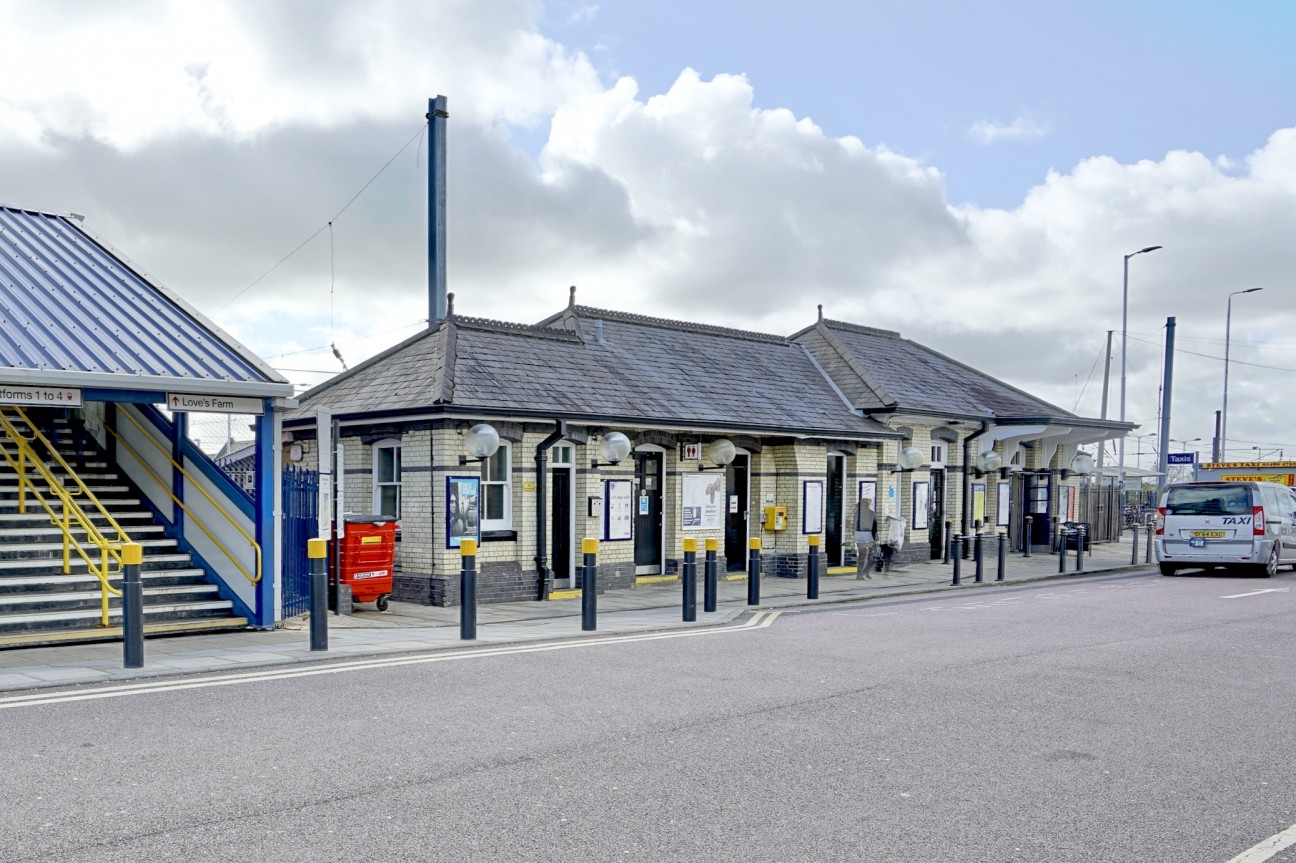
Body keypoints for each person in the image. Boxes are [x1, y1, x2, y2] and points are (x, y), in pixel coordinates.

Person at [854, 496, 878, 579]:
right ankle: (861, 573)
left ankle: (863, 572)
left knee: (866, 556)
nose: (869, 505)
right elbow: (875, 527)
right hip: (866, 535)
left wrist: (855, 535)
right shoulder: (868, 513)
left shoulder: (861, 513)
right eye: (869, 504)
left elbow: (854, 526)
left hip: (863, 535)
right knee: (868, 556)